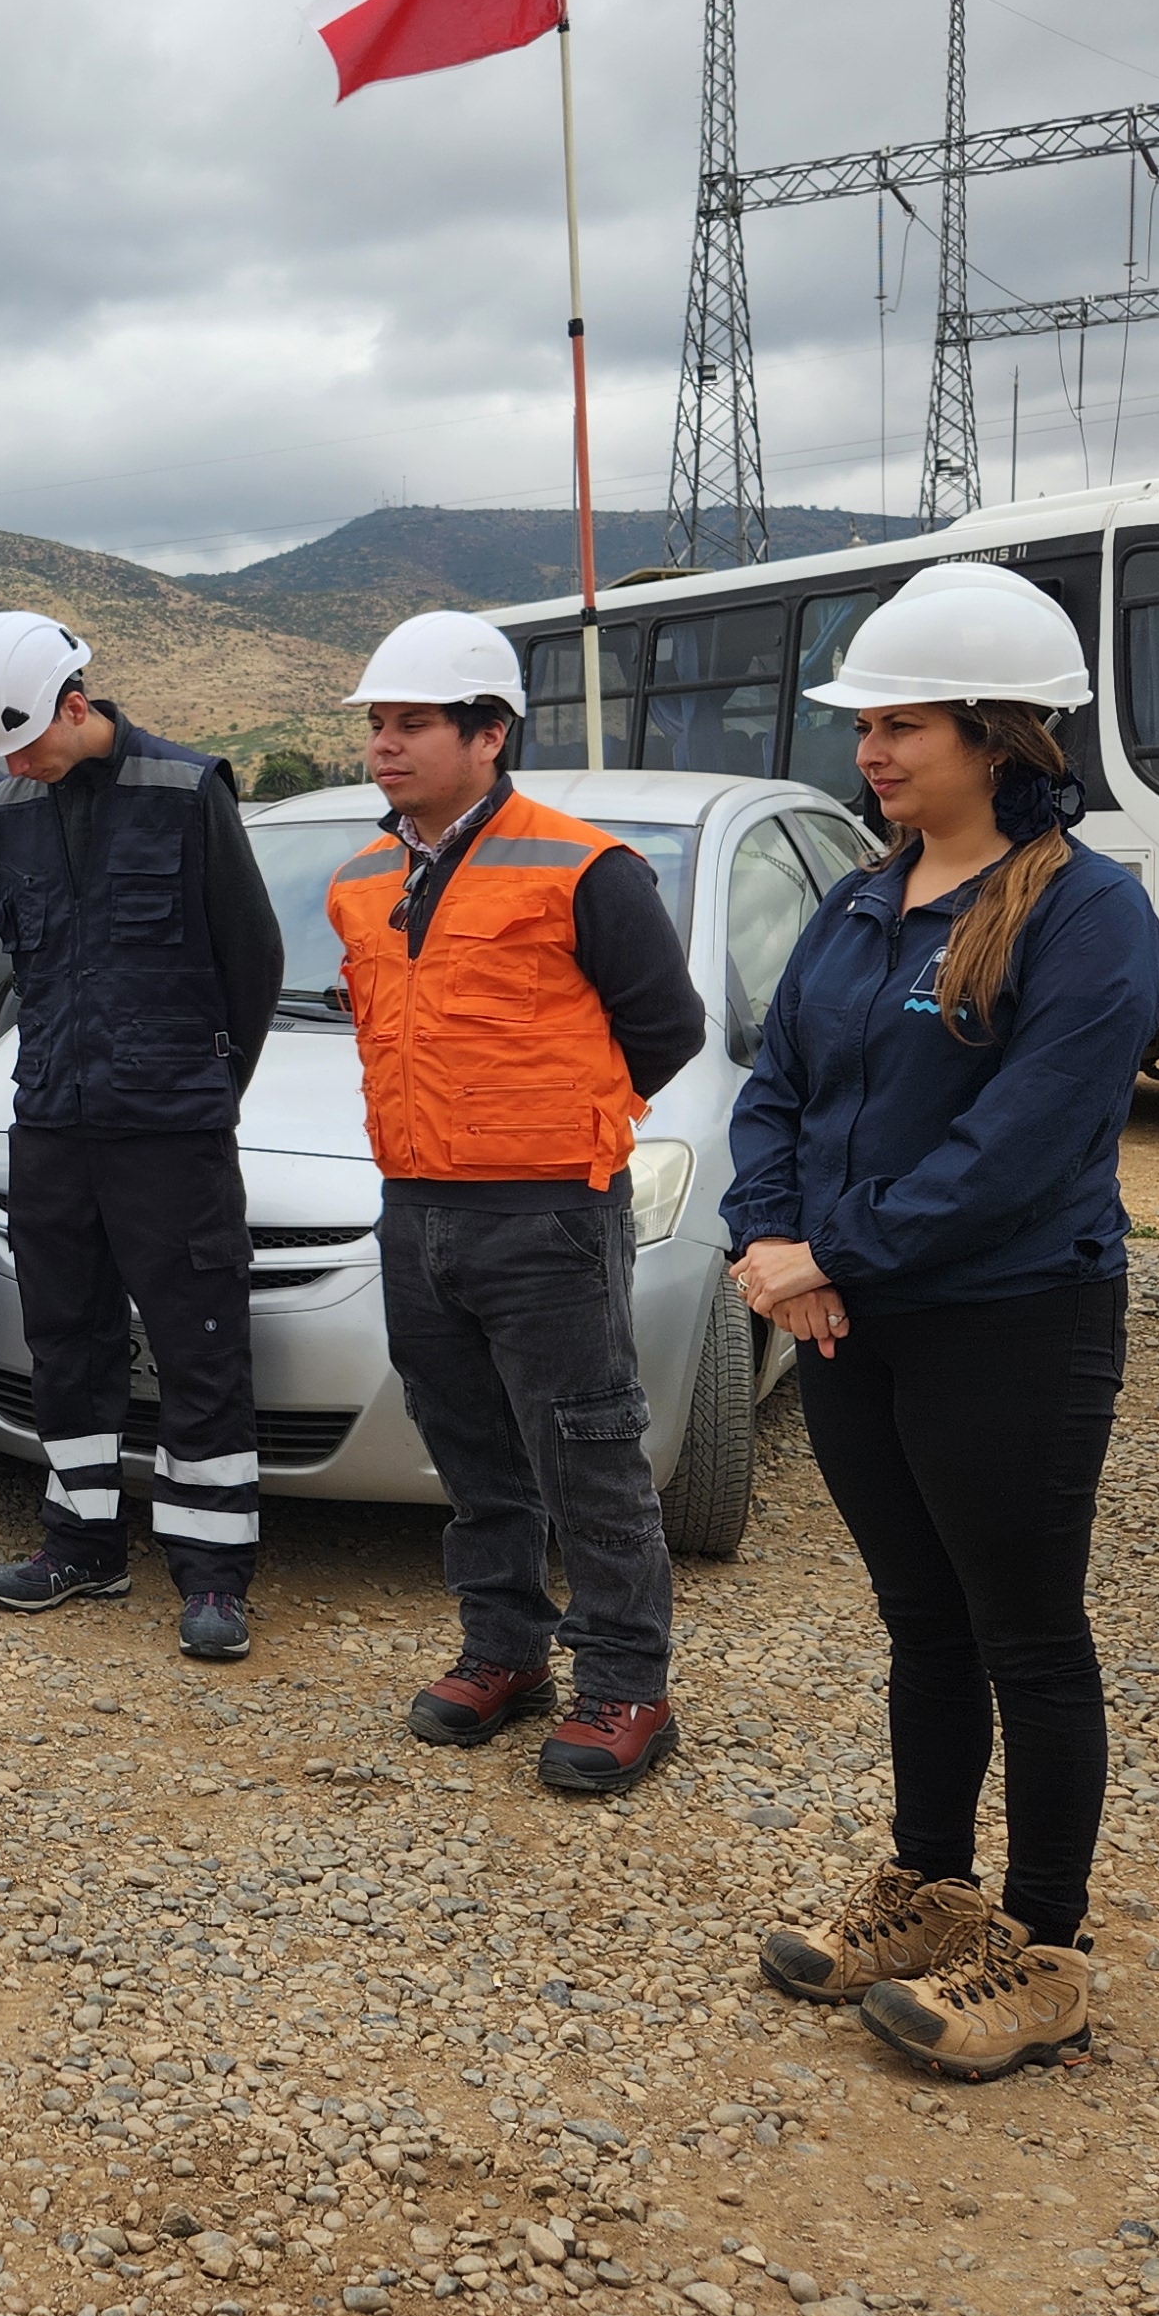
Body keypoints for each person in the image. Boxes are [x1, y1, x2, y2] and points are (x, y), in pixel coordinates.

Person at [725, 566, 1159, 2078]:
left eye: (905, 725)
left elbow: (1027, 1148)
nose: (876, 752)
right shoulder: (860, 898)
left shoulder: (1093, 915)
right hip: (858, 1318)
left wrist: (823, 1254)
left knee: (1026, 1634)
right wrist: (772, 1239)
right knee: (923, 1621)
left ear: (1000, 733)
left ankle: (1045, 1944)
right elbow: (777, 1086)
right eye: (868, 727)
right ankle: (929, 1887)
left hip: (1010, 1321)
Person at [327, 612, 707, 1796]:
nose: (385, 744)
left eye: (413, 723)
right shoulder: (360, 879)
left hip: (546, 1211)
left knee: (588, 1447)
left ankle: (625, 1686)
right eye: (377, 724)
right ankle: (503, 1652)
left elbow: (668, 1027)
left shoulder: (585, 867)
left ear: (488, 735)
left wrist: (551, 1126)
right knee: (468, 1446)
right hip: (413, 1207)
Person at [0, 613, 287, 1661]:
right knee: (66, 1337)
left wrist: (204, 1089)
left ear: (75, 704)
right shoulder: (10, 807)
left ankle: (214, 1574)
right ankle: (78, 1541)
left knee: (198, 1344)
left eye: (28, 744)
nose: (17, 767)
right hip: (53, 1116)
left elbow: (253, 960)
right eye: (1, 758)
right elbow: (34, 966)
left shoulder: (187, 793)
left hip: (169, 1127)